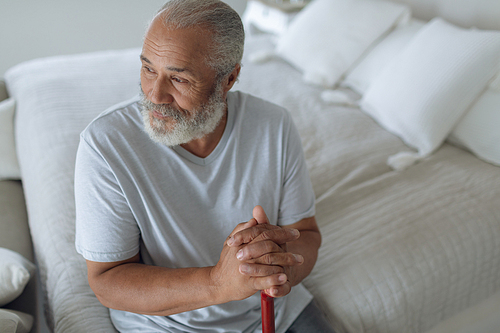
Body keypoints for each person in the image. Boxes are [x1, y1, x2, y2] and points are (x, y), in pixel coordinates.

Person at [75, 0, 335, 332]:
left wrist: (277, 271)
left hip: (277, 314)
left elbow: (307, 234)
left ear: (230, 78)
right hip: (166, 326)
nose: (155, 95)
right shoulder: (105, 144)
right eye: (148, 68)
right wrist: (218, 283)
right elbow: (107, 281)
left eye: (179, 80)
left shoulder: (274, 125)